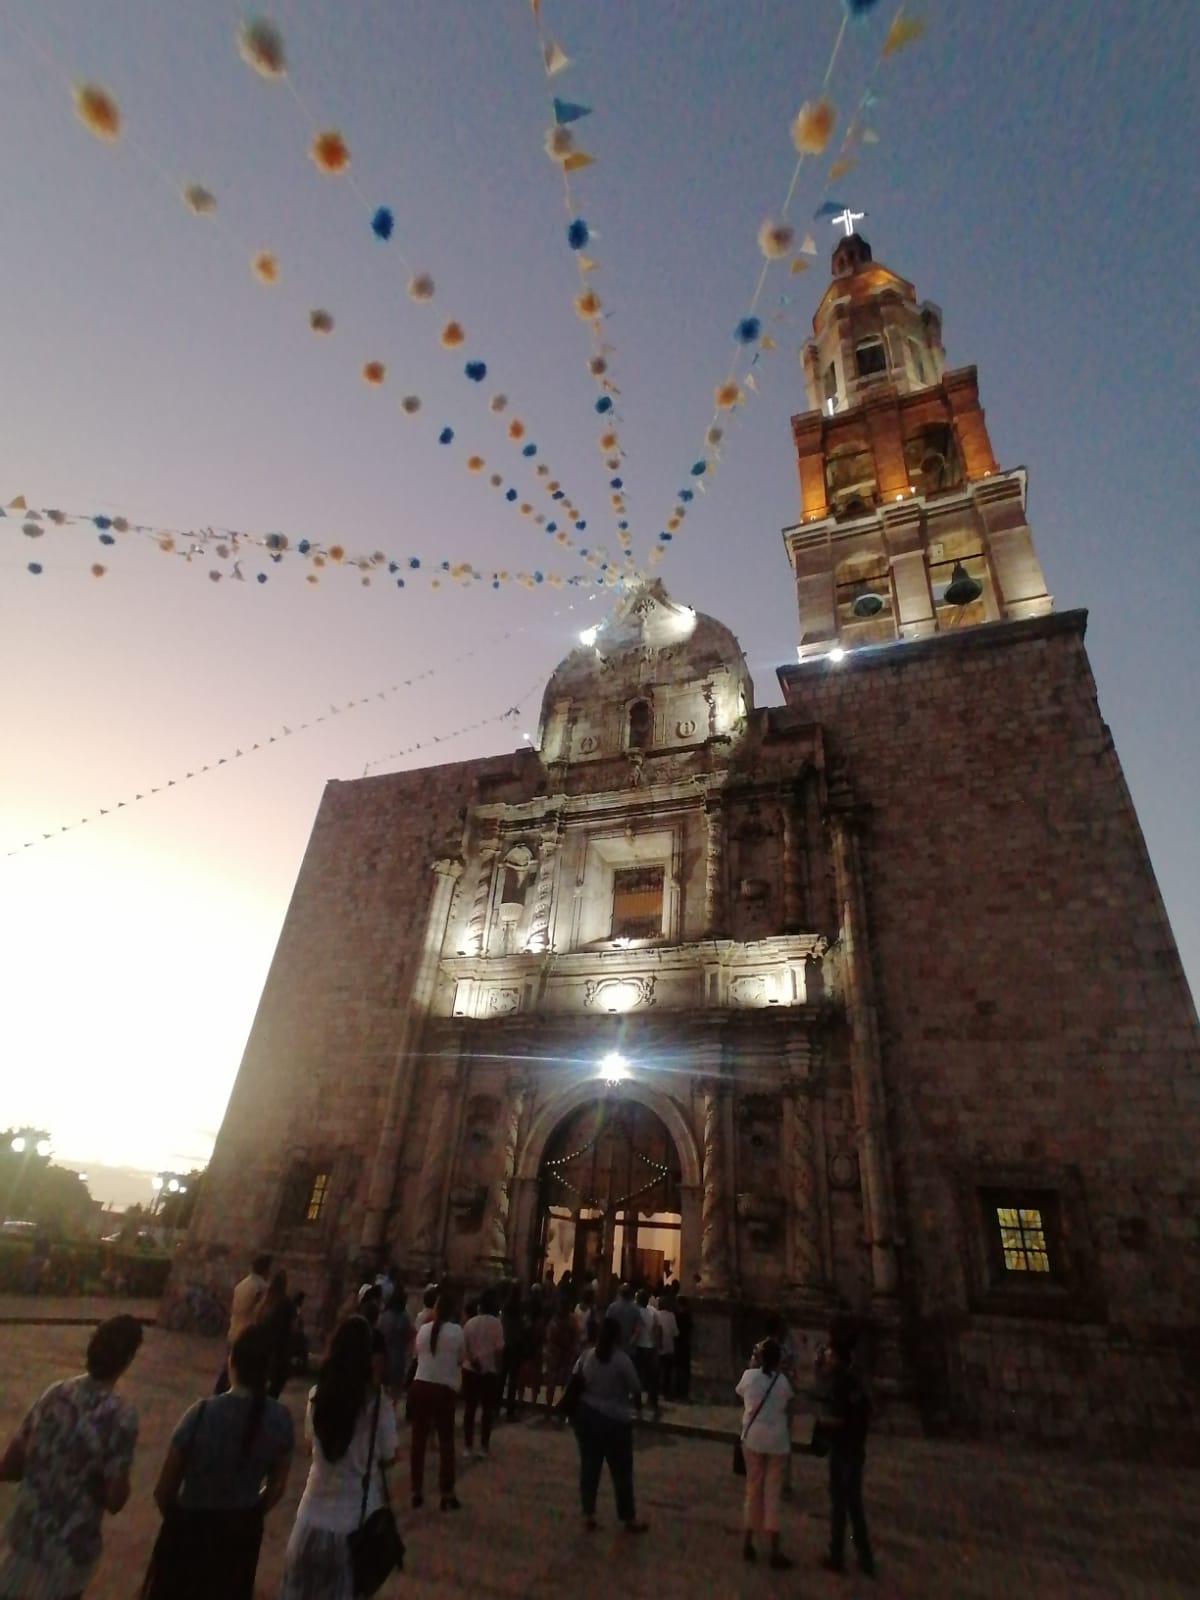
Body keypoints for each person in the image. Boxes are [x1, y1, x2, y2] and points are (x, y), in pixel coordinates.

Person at [143, 1324, 293, 1599]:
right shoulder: (280, 1419)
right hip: (239, 1538)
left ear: (231, 1363)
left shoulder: (200, 1414)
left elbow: (164, 1489)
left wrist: (183, 1521)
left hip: (191, 1532)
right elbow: (277, 1486)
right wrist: (250, 1511)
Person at [0, 1313, 142, 1598]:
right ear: (127, 1360)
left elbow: (11, 1466)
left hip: (27, 1535)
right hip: (69, 1551)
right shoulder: (121, 1417)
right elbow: (115, 1499)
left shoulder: (55, 1393)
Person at [280, 1316, 398, 1600]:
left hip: (309, 1522)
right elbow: (389, 1455)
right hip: (352, 1528)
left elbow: (312, 1445)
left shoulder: (316, 1397)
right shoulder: (378, 1406)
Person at [569, 1316, 647, 1534]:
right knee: (621, 1472)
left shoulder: (588, 1356)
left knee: (589, 1468)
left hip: (588, 1416)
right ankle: (628, 1517)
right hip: (615, 1420)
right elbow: (636, 1388)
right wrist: (638, 1411)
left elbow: (575, 1379)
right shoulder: (621, 1360)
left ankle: (588, 1514)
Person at [735, 1336, 794, 1571]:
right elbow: (788, 1402)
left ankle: (748, 1542)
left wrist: (753, 1366)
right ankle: (775, 1549)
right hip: (777, 1440)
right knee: (772, 1492)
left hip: (754, 1438)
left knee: (753, 1488)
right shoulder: (783, 1382)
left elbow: (741, 1392)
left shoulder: (749, 1377)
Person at [821, 1332, 875, 1578]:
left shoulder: (840, 1383)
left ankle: (837, 1555)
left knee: (840, 1505)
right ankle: (864, 1557)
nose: (826, 1358)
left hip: (843, 1451)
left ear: (839, 1359)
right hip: (855, 1450)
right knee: (854, 1505)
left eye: (830, 1355)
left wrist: (822, 1425)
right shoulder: (855, 1382)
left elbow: (840, 1419)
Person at [409, 1288, 465, 1510]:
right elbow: (461, 1359)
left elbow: (417, 1355)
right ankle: (446, 1492)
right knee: (446, 1443)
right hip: (443, 1389)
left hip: (420, 1385)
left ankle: (416, 1490)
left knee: (418, 1442)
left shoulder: (423, 1330)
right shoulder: (456, 1332)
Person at [216, 1252, 271, 1394]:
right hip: (248, 1334)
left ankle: (219, 1393)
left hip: (234, 1330)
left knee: (229, 1367)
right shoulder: (262, 1287)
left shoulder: (242, 1284)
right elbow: (261, 1312)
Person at [462, 1289, 504, 1457]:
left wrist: (473, 1360)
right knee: (487, 1410)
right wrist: (498, 1369)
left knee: (469, 1409)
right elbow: (499, 1349)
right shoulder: (496, 1324)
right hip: (489, 1370)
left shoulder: (470, 1323)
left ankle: (468, 1445)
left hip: (471, 1369)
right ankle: (484, 1446)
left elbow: (466, 1347)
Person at [255, 1269, 297, 1400]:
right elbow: (292, 1327)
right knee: (273, 1392)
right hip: (280, 1352)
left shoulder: (265, 1303)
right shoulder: (287, 1304)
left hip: (263, 1350)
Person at [543, 1300, 580, 1414]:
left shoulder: (556, 1320)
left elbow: (549, 1337)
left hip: (559, 1354)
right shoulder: (570, 1320)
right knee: (561, 1384)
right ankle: (558, 1411)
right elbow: (575, 1337)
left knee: (555, 1383)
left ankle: (551, 1409)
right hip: (560, 1354)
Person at [378, 1287, 413, 1403]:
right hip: (398, 1356)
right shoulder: (404, 1318)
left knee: (382, 1386)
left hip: (383, 1354)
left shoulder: (384, 1316)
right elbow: (409, 1336)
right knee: (395, 1390)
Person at [633, 1287, 661, 1418]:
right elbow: (657, 1330)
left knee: (637, 1376)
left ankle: (637, 1404)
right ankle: (653, 1403)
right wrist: (657, 1346)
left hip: (638, 1346)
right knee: (652, 1377)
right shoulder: (654, 1312)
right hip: (650, 1347)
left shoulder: (636, 1311)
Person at [500, 1284, 526, 1419]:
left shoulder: (505, 1308)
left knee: (502, 1377)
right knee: (513, 1380)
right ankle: (510, 1410)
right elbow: (521, 1327)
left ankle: (496, 1407)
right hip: (515, 1345)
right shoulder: (519, 1309)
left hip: (505, 1344)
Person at [605, 1281, 642, 1352]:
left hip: (613, 1345)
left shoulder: (612, 1307)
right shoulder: (635, 1309)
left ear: (619, 1293)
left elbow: (606, 1326)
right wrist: (630, 1343)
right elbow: (637, 1331)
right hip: (628, 1347)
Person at [656, 1292, 679, 1401]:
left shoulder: (656, 1315)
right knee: (667, 1371)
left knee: (658, 1370)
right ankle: (666, 1392)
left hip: (658, 1347)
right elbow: (675, 1333)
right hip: (669, 1347)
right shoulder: (671, 1316)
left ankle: (658, 1390)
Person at [674, 1294, 693, 1401]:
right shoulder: (687, 1316)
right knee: (683, 1370)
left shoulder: (676, 1316)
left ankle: (678, 1391)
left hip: (678, 1344)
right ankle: (683, 1392)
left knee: (678, 1370)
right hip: (684, 1345)